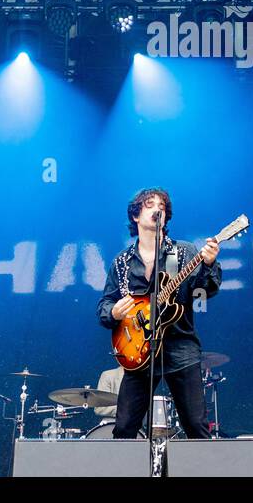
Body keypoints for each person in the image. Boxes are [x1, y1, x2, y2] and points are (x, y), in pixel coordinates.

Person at [97, 188, 221, 439]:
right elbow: (105, 305)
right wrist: (115, 312)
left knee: (196, 426)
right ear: (135, 215)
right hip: (139, 350)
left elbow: (204, 292)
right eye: (150, 204)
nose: (157, 209)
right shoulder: (122, 262)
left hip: (180, 348)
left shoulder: (183, 252)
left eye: (162, 206)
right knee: (123, 429)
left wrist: (209, 265)